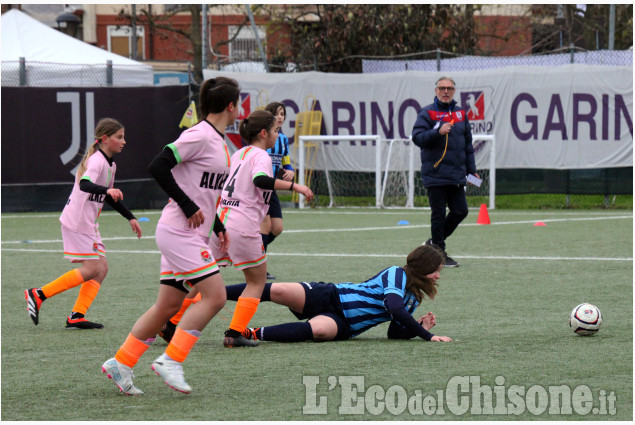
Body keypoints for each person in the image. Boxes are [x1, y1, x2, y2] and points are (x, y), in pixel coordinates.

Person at [101, 76, 239, 395]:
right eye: (238, 104)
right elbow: (158, 165)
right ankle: (171, 360)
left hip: (187, 232)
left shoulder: (218, 140)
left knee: (167, 305)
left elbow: (203, 190)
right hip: (179, 231)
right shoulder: (199, 135)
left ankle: (121, 362)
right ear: (231, 106)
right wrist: (188, 205)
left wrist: (217, 226)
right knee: (216, 296)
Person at [25, 118, 141, 330]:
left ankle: (76, 316)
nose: (124, 141)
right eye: (119, 137)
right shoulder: (97, 160)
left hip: (89, 224)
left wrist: (130, 217)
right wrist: (107, 190)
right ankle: (38, 294)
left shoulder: (110, 164)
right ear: (105, 139)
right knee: (92, 267)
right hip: (78, 221)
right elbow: (86, 184)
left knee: (101, 268)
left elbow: (108, 196)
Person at [213, 109, 314, 348]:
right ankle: (235, 332)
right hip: (242, 225)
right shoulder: (261, 155)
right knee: (257, 281)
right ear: (263, 133)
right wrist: (294, 187)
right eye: (276, 131)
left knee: (200, 278)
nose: (277, 135)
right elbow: (259, 180)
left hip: (220, 220)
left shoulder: (239, 153)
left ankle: (171, 323)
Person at [224, 245, 452, 343]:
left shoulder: (413, 299)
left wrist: (418, 328)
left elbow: (394, 332)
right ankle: (214, 295)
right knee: (280, 290)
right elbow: (394, 306)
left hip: (345, 324)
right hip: (332, 295)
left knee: (319, 330)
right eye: (436, 271)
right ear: (423, 267)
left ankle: (250, 334)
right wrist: (428, 337)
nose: (437, 277)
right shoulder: (396, 274)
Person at [411, 76, 478, 268]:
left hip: (456, 174)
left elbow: (467, 146)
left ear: (454, 91)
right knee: (438, 214)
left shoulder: (461, 114)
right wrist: (437, 132)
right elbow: (417, 138)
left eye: (449, 88)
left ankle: (433, 242)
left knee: (461, 211)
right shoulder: (427, 113)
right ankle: (439, 253)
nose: (445, 91)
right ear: (436, 91)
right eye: (442, 88)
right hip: (436, 174)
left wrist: (472, 171)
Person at [260, 102, 295, 280]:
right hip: (259, 188)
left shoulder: (283, 140)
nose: (280, 117)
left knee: (277, 228)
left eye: (282, 113)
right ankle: (258, 266)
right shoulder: (262, 137)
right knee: (265, 226)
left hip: (271, 189)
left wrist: (290, 171)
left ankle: (252, 252)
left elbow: (286, 163)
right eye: (276, 113)